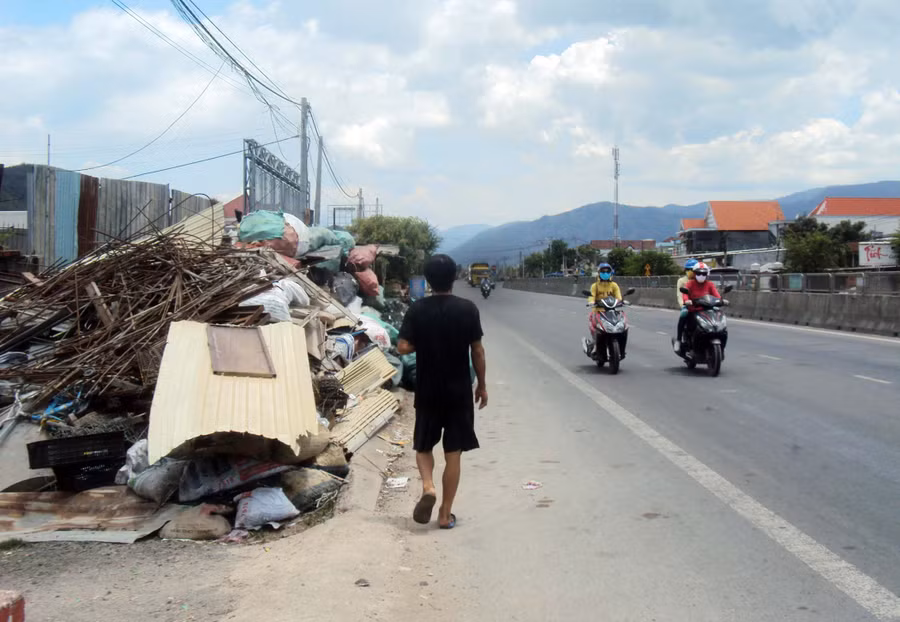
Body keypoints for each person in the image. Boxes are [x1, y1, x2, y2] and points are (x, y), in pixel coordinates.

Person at [397, 254, 487, 530]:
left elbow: (402, 347)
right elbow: (478, 351)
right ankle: (445, 514)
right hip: (458, 391)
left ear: (428, 280)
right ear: (454, 278)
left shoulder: (417, 310)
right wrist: (481, 385)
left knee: (423, 445)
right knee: (454, 452)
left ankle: (428, 486)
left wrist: (423, 344)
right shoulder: (468, 309)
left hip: (428, 389)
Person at [585, 262, 626, 358]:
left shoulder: (614, 285)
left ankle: (621, 349)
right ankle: (595, 346)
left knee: (623, 327)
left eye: (608, 272)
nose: (605, 273)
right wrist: (591, 302)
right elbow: (591, 297)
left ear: (611, 273)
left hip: (611, 312)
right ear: (599, 273)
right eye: (603, 272)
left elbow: (619, 297)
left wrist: (622, 302)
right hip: (598, 311)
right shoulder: (595, 286)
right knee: (597, 329)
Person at [679, 262, 721, 348]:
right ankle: (679, 340)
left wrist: (721, 300)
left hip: (707, 310)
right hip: (693, 309)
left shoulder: (710, 284)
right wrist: (687, 300)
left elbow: (717, 295)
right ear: (694, 273)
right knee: (683, 315)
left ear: (707, 274)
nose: (701, 275)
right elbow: (685, 294)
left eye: (703, 273)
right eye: (699, 273)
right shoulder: (690, 283)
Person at [674, 259, 698, 353]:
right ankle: (679, 340)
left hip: (700, 306)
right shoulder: (682, 281)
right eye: (689, 269)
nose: (690, 271)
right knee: (683, 316)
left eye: (692, 269)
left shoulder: (700, 281)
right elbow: (679, 295)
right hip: (688, 306)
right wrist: (683, 305)